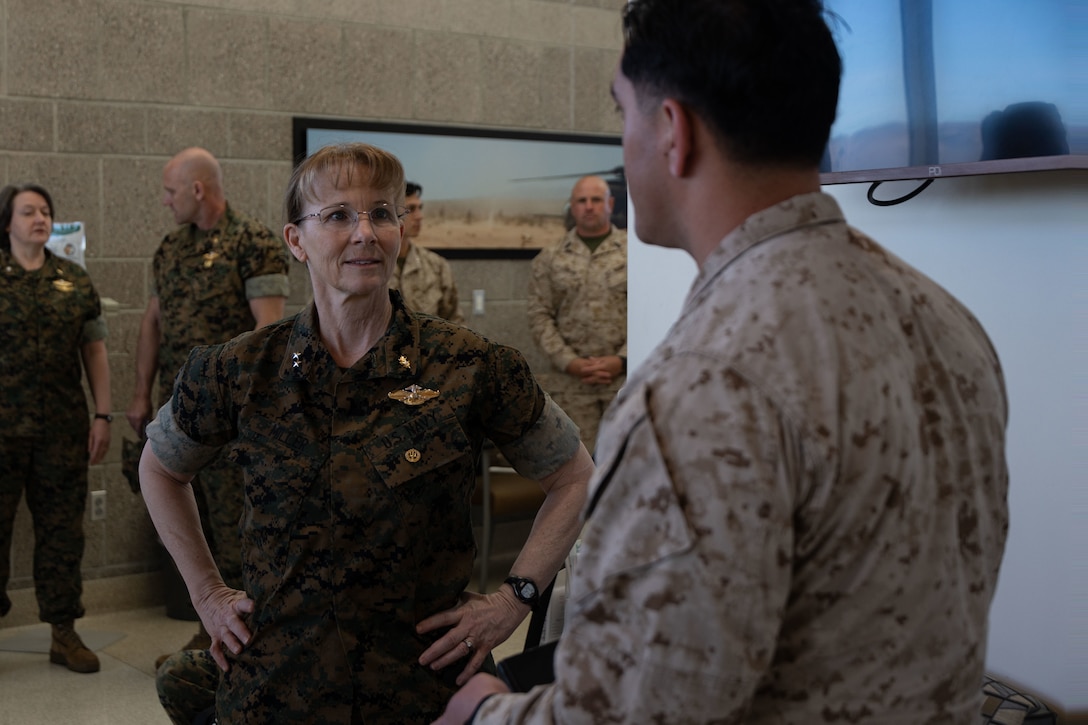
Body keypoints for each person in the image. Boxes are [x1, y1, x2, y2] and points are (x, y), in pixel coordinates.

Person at [437, 1, 1010, 723]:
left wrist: (485, 712)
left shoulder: (701, 385)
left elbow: (638, 711)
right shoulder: (944, 320)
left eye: (623, 112)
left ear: (673, 132)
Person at [139, 142, 593, 724]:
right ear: (295, 240)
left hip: (422, 693)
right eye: (337, 216)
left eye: (382, 213)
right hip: (277, 690)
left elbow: (575, 475)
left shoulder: (470, 366)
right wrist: (206, 593)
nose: (365, 233)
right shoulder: (239, 370)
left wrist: (514, 600)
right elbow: (160, 467)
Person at [126, 146, 290, 666]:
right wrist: (139, 392)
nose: (165, 202)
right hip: (179, 415)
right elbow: (152, 323)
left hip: (234, 420)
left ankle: (245, 639)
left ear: (197, 190)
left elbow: (269, 331)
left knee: (236, 525)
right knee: (194, 523)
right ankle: (215, 630)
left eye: (170, 191)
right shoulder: (170, 249)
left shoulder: (253, 243)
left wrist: (257, 410)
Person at [0, 183, 112, 673]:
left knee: (63, 535)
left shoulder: (74, 280)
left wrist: (102, 414)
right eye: (28, 211)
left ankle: (63, 633)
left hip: (61, 432)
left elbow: (95, 351)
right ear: (7, 222)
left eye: (45, 211)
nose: (39, 218)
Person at [527, 175, 627, 454]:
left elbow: (650, 309)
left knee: (626, 467)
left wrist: (621, 360)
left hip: (624, 382)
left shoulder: (636, 253)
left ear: (610, 204)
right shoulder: (551, 258)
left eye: (596, 200)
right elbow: (539, 316)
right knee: (578, 473)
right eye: (581, 201)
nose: (589, 206)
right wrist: (571, 362)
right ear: (572, 207)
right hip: (571, 387)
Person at [390, 181, 465, 323]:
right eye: (411, 209)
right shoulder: (371, 267)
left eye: (420, 208)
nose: (419, 216)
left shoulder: (436, 266)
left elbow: (456, 324)